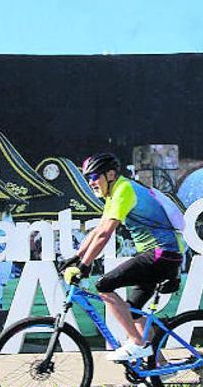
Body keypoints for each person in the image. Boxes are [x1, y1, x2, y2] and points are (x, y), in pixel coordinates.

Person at [62, 153, 184, 362]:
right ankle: (159, 365)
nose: (91, 182)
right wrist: (76, 257)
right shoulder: (115, 192)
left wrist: (84, 265)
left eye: (94, 176)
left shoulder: (124, 189)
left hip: (161, 253)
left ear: (110, 174)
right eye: (88, 178)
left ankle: (138, 343)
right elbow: (97, 229)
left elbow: (105, 234)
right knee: (133, 311)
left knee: (104, 285)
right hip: (161, 255)